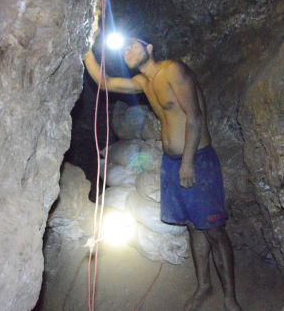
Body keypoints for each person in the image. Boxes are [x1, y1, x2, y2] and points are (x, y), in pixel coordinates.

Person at [84, 35, 243, 311]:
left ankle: (230, 297)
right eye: (124, 50)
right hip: (172, 163)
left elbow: (194, 117)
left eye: (133, 44)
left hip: (198, 160)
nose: (128, 50)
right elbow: (103, 82)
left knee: (215, 229)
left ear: (150, 48)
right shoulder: (142, 82)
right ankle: (204, 285)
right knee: (194, 226)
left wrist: (188, 162)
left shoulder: (173, 71)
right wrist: (85, 43)